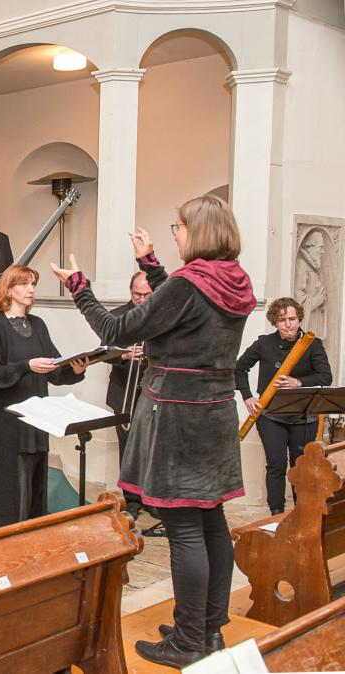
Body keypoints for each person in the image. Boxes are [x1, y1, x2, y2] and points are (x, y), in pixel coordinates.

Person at [52, 195, 256, 668]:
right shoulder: (234, 279)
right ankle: (208, 629)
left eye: (178, 227)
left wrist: (79, 287)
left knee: (184, 526)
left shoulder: (188, 284)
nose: (175, 233)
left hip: (178, 414)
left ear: (197, 232)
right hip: (216, 410)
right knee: (211, 522)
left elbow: (117, 328)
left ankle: (187, 642)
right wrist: (151, 264)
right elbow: (185, 308)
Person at [0, 264, 86, 528]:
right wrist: (26, 366)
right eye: (24, 284)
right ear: (9, 289)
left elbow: (53, 370)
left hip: (35, 414)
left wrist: (75, 371)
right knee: (10, 478)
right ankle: (6, 529)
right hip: (3, 417)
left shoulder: (38, 324)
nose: (31, 290)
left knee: (33, 474)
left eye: (33, 284)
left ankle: (31, 527)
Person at [235, 297, 332, 515]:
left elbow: (326, 376)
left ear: (299, 319)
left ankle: (302, 514)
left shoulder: (312, 344)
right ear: (274, 322)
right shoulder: (264, 343)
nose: (288, 324)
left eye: (292, 319)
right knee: (276, 465)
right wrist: (248, 397)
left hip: (303, 417)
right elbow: (239, 369)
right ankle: (276, 514)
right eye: (282, 320)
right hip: (270, 416)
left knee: (300, 467)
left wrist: (298, 382)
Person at [105, 270, 154, 521]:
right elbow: (104, 352)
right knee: (128, 449)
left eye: (147, 294)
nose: (142, 299)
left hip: (154, 393)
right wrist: (123, 355)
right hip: (124, 391)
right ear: (130, 292)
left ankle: (150, 497)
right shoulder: (116, 317)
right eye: (137, 294)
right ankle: (132, 499)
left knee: (152, 448)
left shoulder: (162, 316)